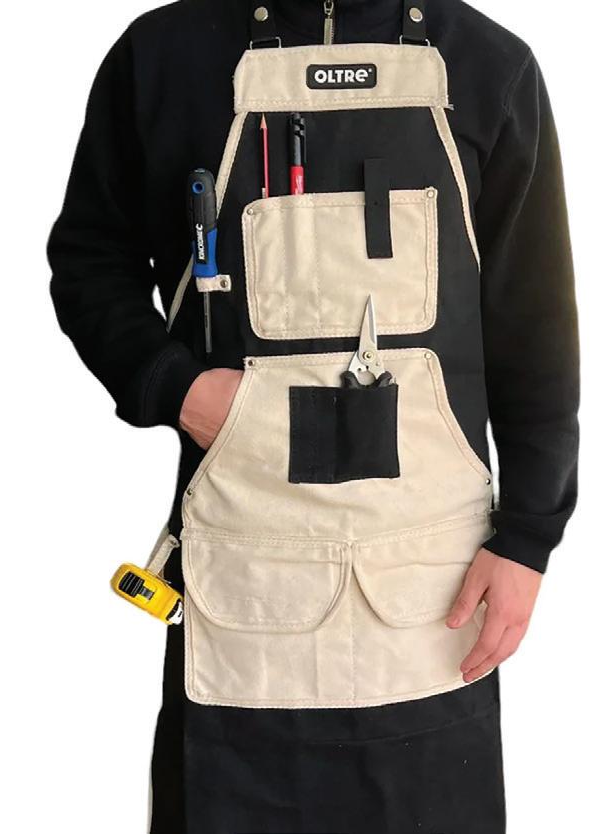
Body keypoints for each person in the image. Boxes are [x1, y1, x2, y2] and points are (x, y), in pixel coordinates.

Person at [48, 1, 579, 831]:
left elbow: (537, 327)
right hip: (243, 597)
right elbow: (89, 260)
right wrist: (175, 387)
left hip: (430, 600)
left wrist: (528, 540)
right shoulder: (161, 58)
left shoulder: (489, 69)